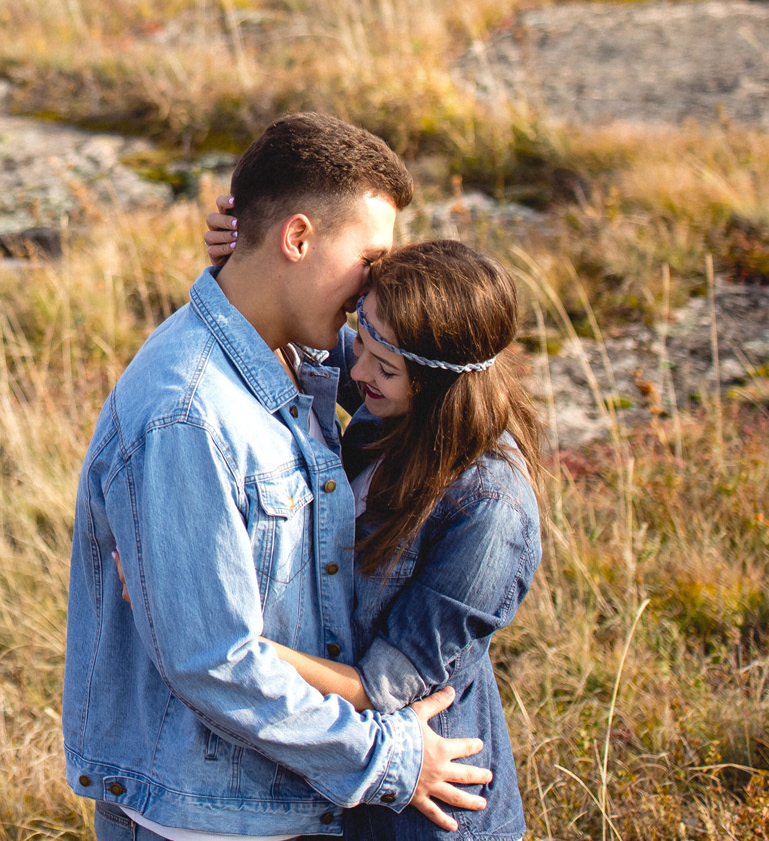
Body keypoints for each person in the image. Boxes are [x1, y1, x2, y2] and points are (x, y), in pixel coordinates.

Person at [64, 113, 495, 841]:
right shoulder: (189, 415)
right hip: (204, 819)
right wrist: (389, 759)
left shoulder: (293, 355)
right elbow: (213, 660)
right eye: (371, 260)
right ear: (298, 238)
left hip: (275, 798)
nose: (374, 288)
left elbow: (422, 370)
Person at [203, 209, 543, 841]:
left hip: (429, 810)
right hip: (351, 787)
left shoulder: (491, 511)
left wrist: (226, 639)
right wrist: (242, 256)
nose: (356, 374)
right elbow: (302, 327)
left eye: (383, 369)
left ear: (442, 385)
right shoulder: (400, 415)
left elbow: (378, 687)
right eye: (365, 343)